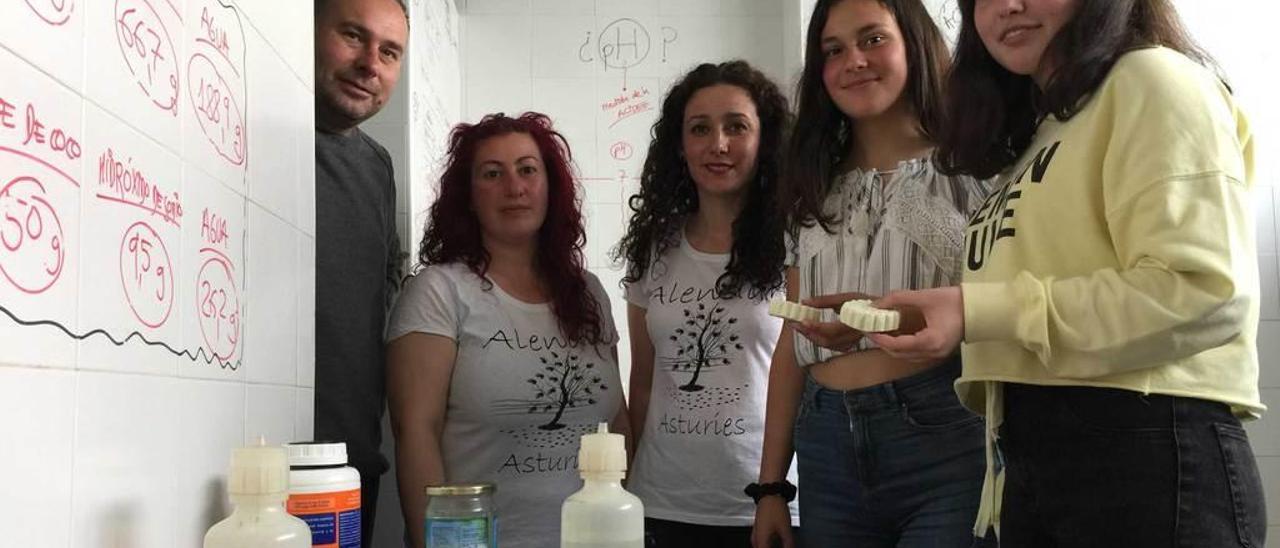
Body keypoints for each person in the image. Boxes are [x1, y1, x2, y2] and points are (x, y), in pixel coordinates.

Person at [870, 0, 1267, 545]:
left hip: (1147, 449)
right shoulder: (1042, 132)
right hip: (1040, 455)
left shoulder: (1153, 79)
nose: (1007, 5)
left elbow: (1202, 289)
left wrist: (974, 310)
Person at [751, 1, 991, 547]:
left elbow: (996, 311)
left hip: (944, 436)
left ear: (913, 42)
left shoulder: (976, 171)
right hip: (825, 446)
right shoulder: (809, 186)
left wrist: (873, 319)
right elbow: (793, 338)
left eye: (872, 39)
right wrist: (769, 488)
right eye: (833, 50)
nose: (853, 60)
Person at [386, 112, 630, 548]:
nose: (514, 187)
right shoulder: (439, 292)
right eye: (492, 173)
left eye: (527, 170)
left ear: (550, 186)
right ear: (469, 195)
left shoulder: (589, 293)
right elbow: (415, 434)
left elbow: (616, 420)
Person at [612, 60, 797, 547]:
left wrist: (774, 491)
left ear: (765, 140)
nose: (718, 144)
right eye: (700, 129)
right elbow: (643, 383)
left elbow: (801, 375)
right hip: (661, 502)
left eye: (736, 127)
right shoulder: (653, 248)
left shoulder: (795, 243)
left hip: (764, 503)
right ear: (680, 144)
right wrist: (623, 486)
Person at [313, 0, 408, 544]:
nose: (371, 63)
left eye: (390, 52)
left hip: (350, 468)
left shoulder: (379, 166)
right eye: (353, 35)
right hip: (251, 462)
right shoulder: (245, 126)